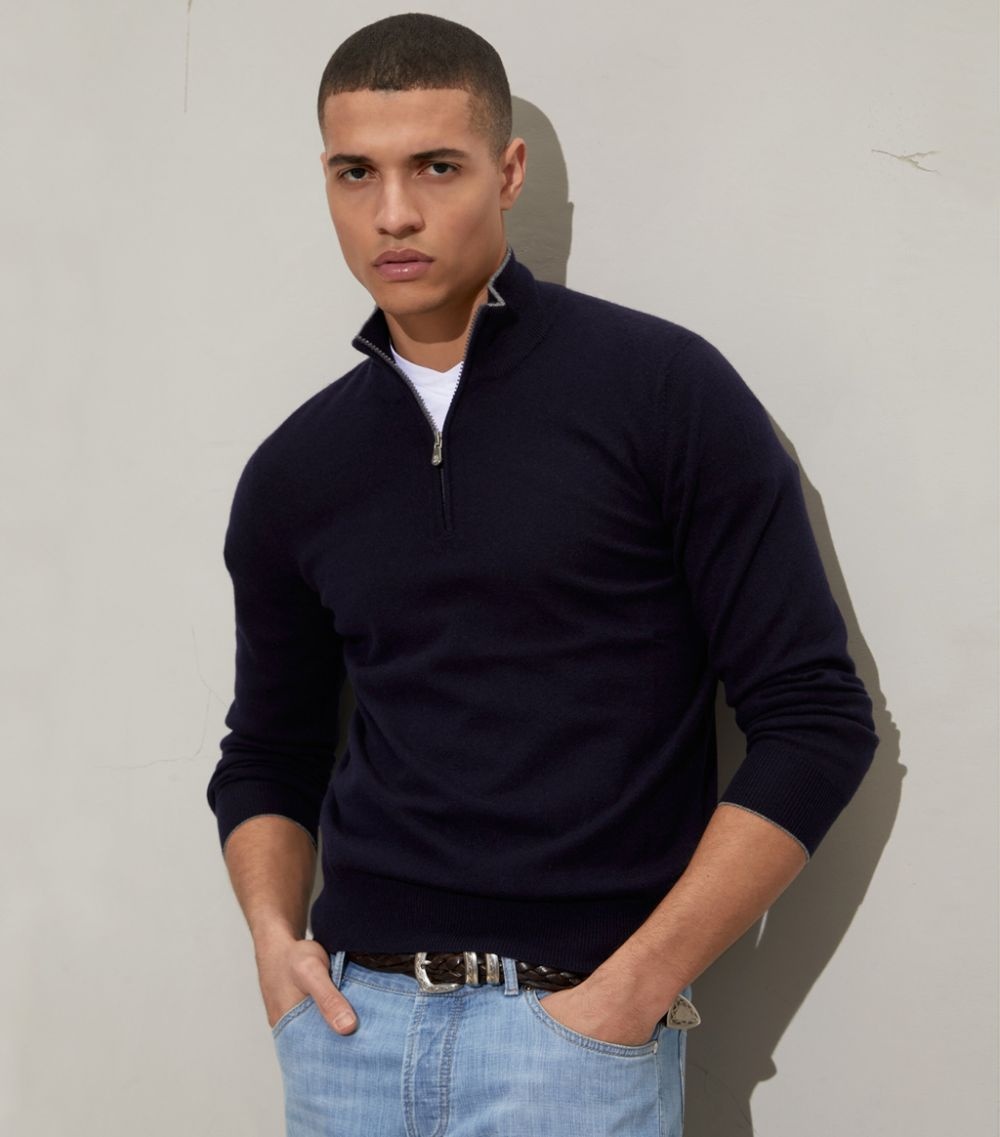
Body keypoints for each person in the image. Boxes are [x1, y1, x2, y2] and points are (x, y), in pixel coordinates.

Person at [205, 13, 879, 1136]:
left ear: (507, 171)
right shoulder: (296, 468)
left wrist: (634, 988)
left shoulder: (661, 391)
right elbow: (270, 749)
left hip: (573, 1041)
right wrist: (277, 948)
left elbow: (815, 719)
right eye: (355, 172)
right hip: (349, 1039)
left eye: (436, 166)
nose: (394, 213)